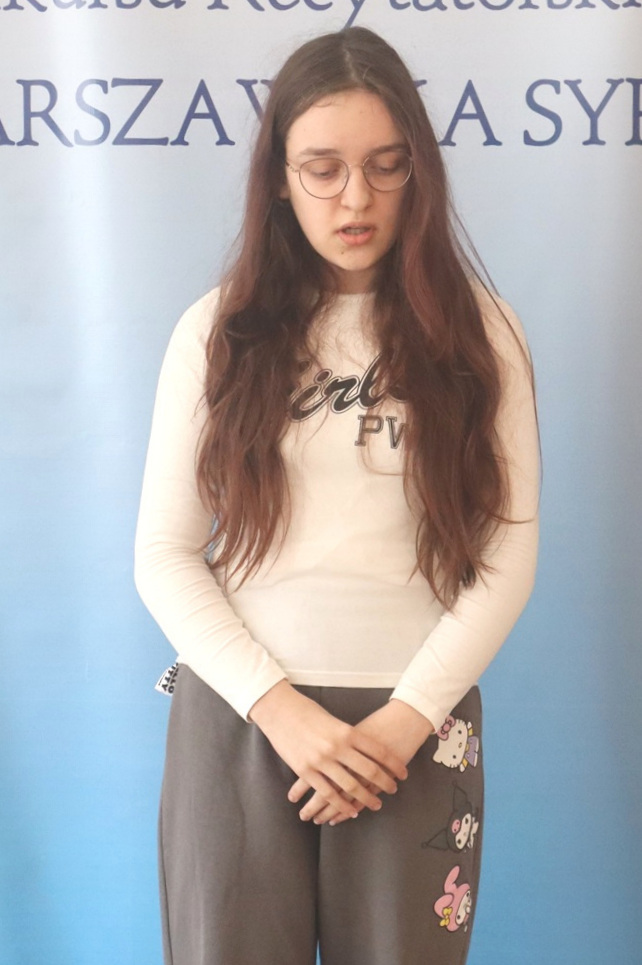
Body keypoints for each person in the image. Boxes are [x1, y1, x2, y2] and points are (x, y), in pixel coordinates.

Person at [134, 25, 539, 965]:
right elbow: (163, 553)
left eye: (386, 166)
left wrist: (403, 723)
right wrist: (281, 710)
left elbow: (508, 556)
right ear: (279, 177)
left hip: (417, 725)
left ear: (419, 172)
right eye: (322, 169)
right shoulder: (218, 332)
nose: (356, 198)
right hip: (242, 720)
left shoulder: (485, 335)